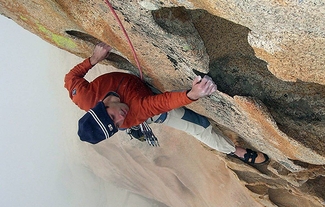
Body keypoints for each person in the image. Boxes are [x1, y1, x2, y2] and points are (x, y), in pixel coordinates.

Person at [64, 42, 269, 164]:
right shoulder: (132, 114)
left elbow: (70, 78)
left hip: (137, 91)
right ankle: (233, 151)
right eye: (116, 125)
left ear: (102, 106)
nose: (120, 118)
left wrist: (92, 59)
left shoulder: (84, 96)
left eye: (112, 116)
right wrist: (192, 94)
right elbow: (162, 103)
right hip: (151, 109)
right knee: (200, 127)